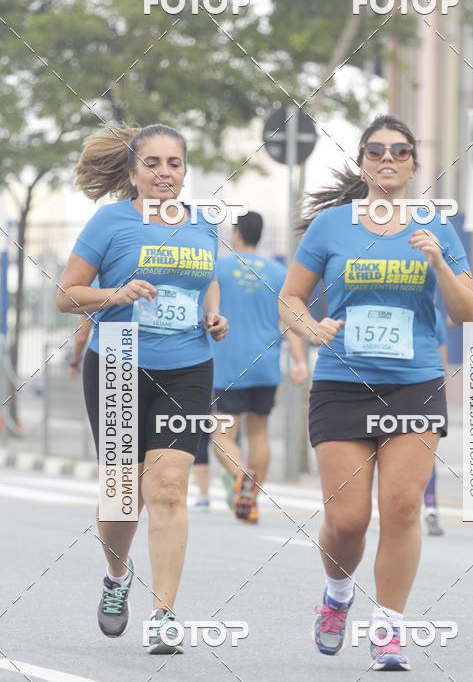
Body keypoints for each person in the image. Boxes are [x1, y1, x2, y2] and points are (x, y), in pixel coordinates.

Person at [279, 114, 473, 670]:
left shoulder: (436, 227)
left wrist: (438, 262)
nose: (387, 159)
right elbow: (290, 298)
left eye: (399, 151)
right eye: (375, 151)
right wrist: (311, 328)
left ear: (415, 164)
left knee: (401, 506)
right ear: (362, 161)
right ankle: (337, 595)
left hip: (414, 383)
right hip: (343, 384)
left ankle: (388, 627)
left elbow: (468, 313)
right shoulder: (331, 227)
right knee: (347, 522)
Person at [57, 123, 228, 654]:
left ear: (185, 170)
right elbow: (67, 295)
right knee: (122, 494)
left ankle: (164, 613)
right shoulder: (110, 221)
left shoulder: (203, 223)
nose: (164, 173)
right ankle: (116, 576)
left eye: (173, 163)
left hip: (188, 367)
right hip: (118, 361)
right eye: (152, 163)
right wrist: (116, 293)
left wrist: (213, 314)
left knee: (170, 489)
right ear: (132, 172)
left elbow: (207, 278)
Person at [208, 211, 307, 524]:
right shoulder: (279, 273)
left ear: (236, 233)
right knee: (259, 432)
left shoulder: (218, 269)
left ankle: (241, 477)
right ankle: (249, 501)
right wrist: (301, 361)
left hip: (228, 362)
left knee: (221, 435)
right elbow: (290, 321)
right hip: (266, 364)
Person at [423, 305, 448, 536]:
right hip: (425, 388)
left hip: (386, 389)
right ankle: (430, 506)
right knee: (425, 453)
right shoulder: (434, 312)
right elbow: (442, 358)